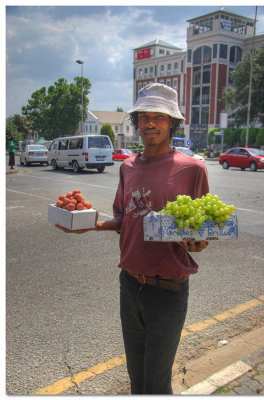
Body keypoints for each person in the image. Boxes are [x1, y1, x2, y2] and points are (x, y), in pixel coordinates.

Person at [56, 83, 209, 394]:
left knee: (155, 383)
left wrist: (199, 241)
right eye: (143, 117)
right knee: (136, 380)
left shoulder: (192, 168)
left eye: (159, 117)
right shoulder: (127, 167)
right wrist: (91, 225)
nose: (149, 123)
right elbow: (125, 220)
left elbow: (204, 227)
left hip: (168, 290)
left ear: (173, 123)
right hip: (129, 284)